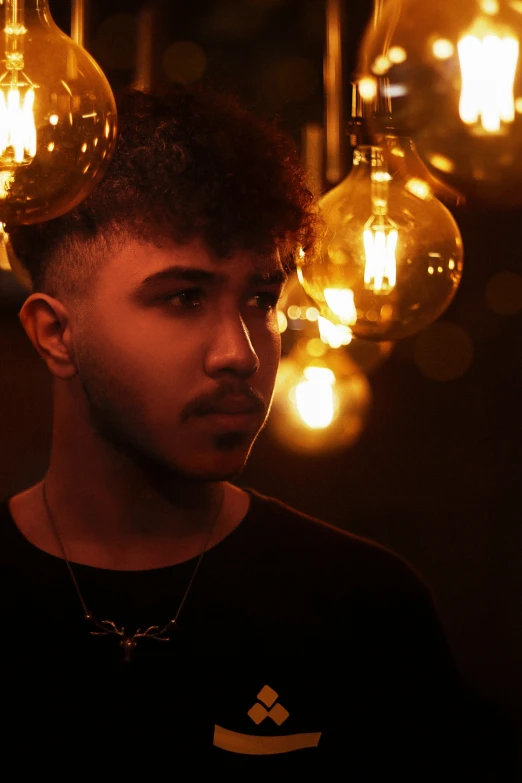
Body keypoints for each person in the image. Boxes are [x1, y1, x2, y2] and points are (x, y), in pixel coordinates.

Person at [1, 85, 467, 778]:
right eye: (183, 298)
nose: (241, 354)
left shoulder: (363, 607)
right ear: (56, 334)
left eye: (260, 299)